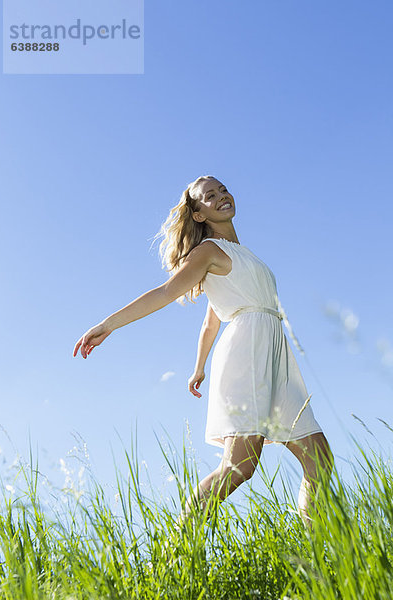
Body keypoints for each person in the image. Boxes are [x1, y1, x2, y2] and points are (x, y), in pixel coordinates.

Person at [73, 175, 334, 531]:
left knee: (319, 458)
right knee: (239, 466)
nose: (221, 196)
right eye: (210, 196)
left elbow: (212, 320)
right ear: (198, 214)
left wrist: (198, 367)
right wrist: (108, 324)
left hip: (275, 357)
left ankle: (319, 548)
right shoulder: (208, 252)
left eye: (222, 189)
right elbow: (165, 292)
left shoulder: (242, 254)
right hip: (248, 352)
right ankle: (177, 550)